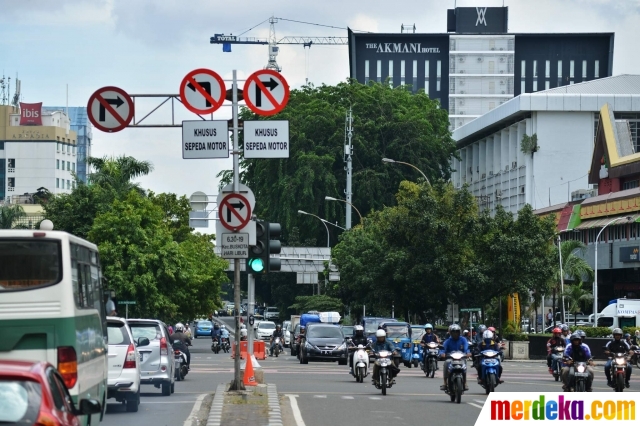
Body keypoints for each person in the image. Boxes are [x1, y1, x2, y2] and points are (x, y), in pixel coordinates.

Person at [439, 324, 471, 392]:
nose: (456, 333)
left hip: (461, 358)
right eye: (454, 332)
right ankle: (445, 383)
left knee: (464, 363)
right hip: (450, 358)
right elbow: (443, 349)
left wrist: (468, 353)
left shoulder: (463, 340)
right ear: (450, 332)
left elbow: (466, 348)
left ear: (460, 332)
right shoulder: (448, 341)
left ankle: (465, 383)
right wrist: (442, 353)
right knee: (446, 362)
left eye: (457, 331)